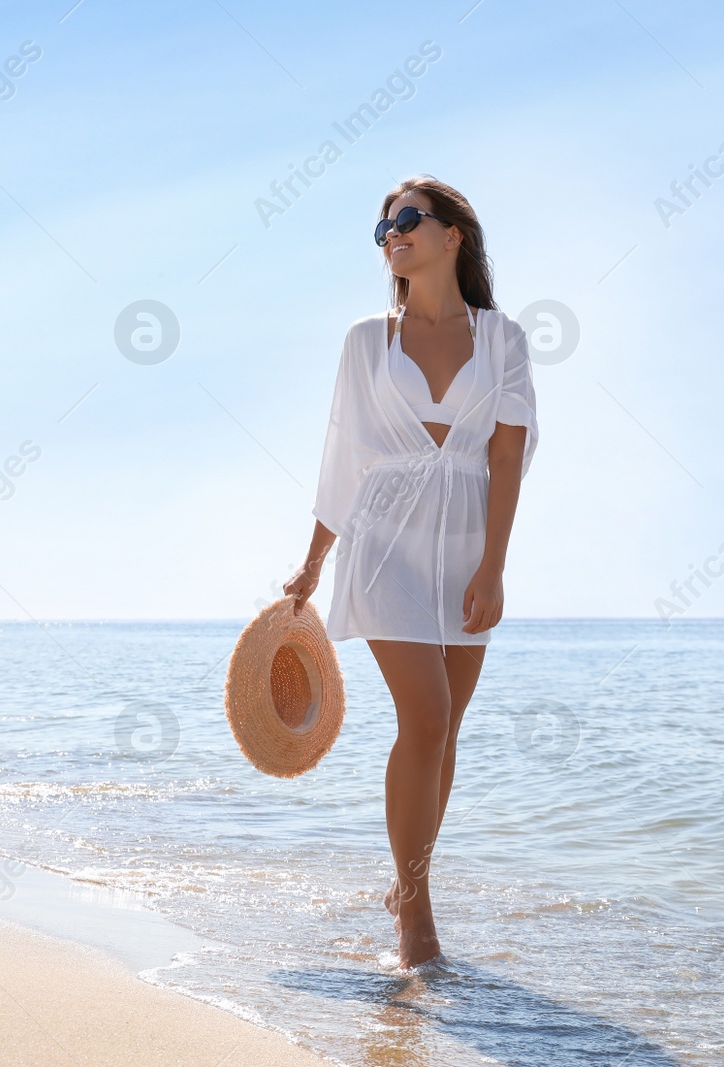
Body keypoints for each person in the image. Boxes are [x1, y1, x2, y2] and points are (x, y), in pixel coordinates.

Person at [283, 175, 539, 969]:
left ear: (453, 233)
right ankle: (416, 914)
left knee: (445, 732)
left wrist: (494, 567)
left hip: (466, 540)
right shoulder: (368, 340)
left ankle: (407, 880)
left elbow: (506, 454)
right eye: (383, 227)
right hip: (386, 539)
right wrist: (313, 563)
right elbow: (343, 457)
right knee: (425, 719)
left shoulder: (503, 339)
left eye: (407, 219)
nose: (391, 233)